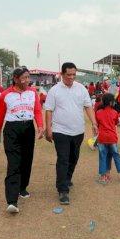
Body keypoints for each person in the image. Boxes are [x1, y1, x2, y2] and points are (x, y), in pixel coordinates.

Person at [0, 66, 44, 214]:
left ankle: (22, 187)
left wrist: (40, 126)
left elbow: (37, 111)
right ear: (15, 78)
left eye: (29, 78)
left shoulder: (33, 92)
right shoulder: (5, 95)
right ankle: (12, 201)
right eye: (24, 78)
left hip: (28, 129)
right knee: (14, 163)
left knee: (27, 160)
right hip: (11, 131)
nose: (27, 80)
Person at [44, 62, 97, 206]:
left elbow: (88, 106)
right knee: (63, 158)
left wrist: (93, 122)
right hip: (60, 131)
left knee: (74, 157)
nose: (72, 77)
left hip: (78, 131)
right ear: (62, 74)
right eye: (69, 75)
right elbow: (48, 110)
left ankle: (67, 178)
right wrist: (48, 128)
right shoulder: (54, 90)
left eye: (74, 74)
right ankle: (62, 190)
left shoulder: (81, 89)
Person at [96, 93, 120, 184]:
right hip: (112, 138)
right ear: (111, 102)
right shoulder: (114, 112)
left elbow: (97, 123)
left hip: (102, 138)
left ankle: (103, 177)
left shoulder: (98, 112)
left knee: (103, 156)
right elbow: (116, 123)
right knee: (116, 155)